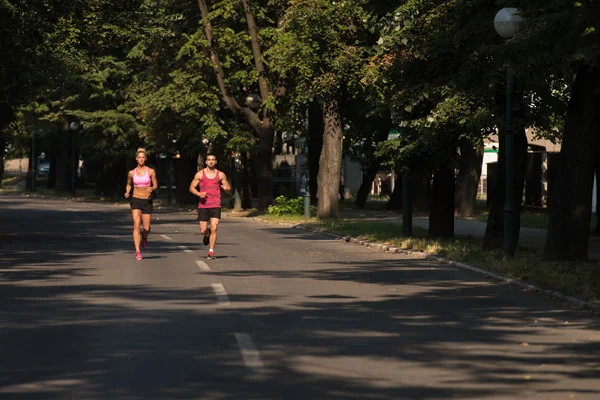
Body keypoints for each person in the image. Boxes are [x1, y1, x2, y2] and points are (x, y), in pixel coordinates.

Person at [189, 154, 231, 259]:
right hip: (203, 205)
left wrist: (226, 188)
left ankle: (211, 251)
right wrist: (199, 194)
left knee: (214, 227)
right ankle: (206, 235)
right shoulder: (200, 174)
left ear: (215, 162)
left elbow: (228, 187)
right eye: (209, 160)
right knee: (203, 230)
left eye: (213, 160)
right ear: (206, 162)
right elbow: (191, 188)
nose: (211, 161)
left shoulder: (220, 175)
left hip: (216, 204)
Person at [125, 148, 158, 261]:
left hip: (147, 201)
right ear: (136, 159)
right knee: (136, 224)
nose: (141, 159)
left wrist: (151, 188)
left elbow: (155, 185)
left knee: (147, 228)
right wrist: (127, 192)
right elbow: (129, 184)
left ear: (146, 159)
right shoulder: (131, 173)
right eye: (139, 157)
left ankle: (144, 237)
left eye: (143, 157)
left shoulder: (151, 171)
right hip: (135, 200)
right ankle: (138, 251)